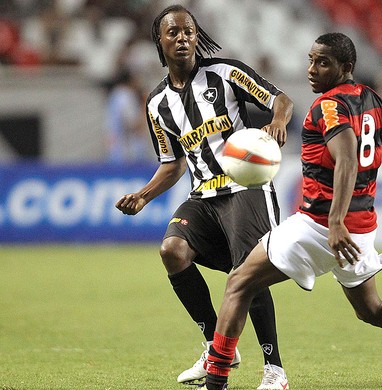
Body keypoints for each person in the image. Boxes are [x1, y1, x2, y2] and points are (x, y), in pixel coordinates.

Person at [201, 32, 382, 390]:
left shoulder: (328, 107)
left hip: (321, 226)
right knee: (372, 310)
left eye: (323, 63)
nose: (312, 69)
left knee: (238, 283)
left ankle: (215, 381)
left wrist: (334, 221)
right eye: (310, 60)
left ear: (346, 68)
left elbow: (347, 161)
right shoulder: (372, 99)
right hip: (361, 231)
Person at [114, 5, 292, 389]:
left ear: (197, 37)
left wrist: (277, 121)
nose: (182, 38)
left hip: (247, 187)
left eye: (189, 31)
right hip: (203, 196)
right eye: (173, 32)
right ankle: (216, 344)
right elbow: (172, 163)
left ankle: (274, 371)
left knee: (248, 270)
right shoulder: (156, 104)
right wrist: (143, 196)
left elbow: (282, 100)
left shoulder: (226, 74)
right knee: (171, 252)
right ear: (159, 42)